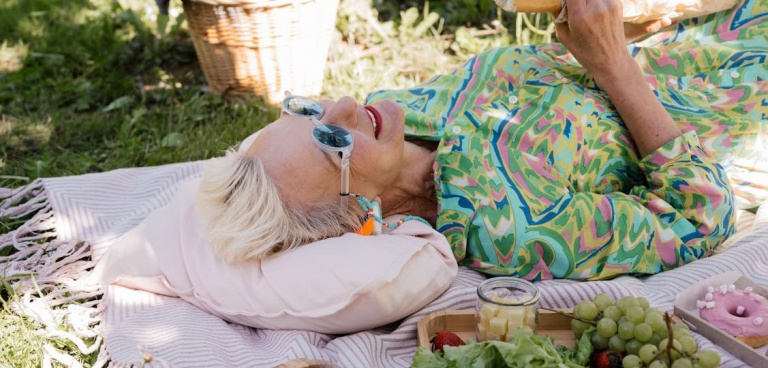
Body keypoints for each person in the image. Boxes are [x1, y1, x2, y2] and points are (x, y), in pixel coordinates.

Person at [197, 0, 767, 281]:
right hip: (736, 110)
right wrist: (614, 63)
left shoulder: (401, 113)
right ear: (359, 217)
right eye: (330, 140)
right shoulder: (506, 227)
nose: (344, 105)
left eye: (306, 109)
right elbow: (698, 218)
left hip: (695, 44)